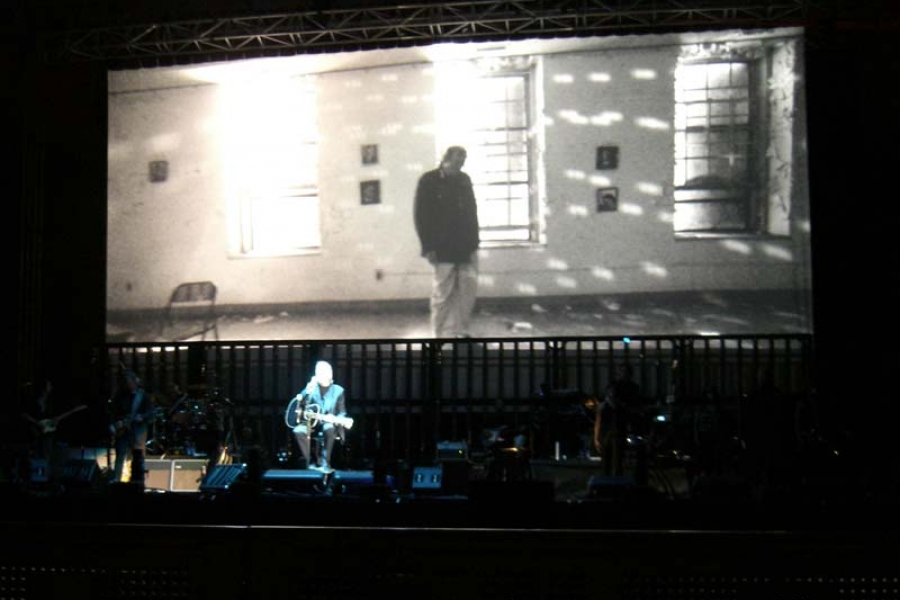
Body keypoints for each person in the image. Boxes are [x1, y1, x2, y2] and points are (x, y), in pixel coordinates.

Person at [413, 145, 480, 338]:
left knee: (466, 292)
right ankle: (438, 333)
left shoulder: (464, 180)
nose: (461, 164)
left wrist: (475, 242)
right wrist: (428, 247)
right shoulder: (428, 180)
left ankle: (461, 331)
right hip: (441, 247)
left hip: (466, 245)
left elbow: (471, 212)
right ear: (446, 159)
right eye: (458, 160)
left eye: (463, 161)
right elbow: (421, 216)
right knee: (442, 293)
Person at [284, 361, 349, 474]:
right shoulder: (312, 388)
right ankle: (309, 463)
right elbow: (299, 402)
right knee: (298, 430)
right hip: (311, 423)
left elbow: (342, 413)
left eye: (321, 372)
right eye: (317, 372)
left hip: (328, 423)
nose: (318, 374)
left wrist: (336, 419)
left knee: (329, 428)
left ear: (330, 374)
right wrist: (307, 389)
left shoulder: (338, 390)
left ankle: (325, 462)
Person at [593, 362, 642, 477]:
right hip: (613, 429)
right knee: (612, 461)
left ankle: (610, 483)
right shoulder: (628, 388)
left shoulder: (621, 388)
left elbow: (602, 412)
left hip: (616, 429)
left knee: (613, 461)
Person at [108, 369, 155, 484]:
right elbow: (113, 411)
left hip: (138, 430)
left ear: (135, 382)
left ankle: (138, 481)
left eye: (130, 382)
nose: (128, 384)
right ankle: (116, 480)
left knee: (138, 456)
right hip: (123, 430)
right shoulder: (120, 395)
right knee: (120, 455)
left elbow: (151, 412)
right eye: (126, 382)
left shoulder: (143, 396)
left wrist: (142, 417)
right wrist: (114, 424)